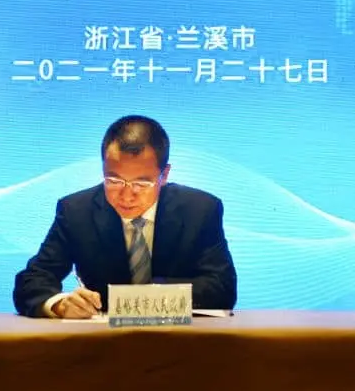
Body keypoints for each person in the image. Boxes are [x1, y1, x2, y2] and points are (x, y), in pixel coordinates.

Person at [13, 115, 237, 318]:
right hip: (101, 342)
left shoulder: (200, 210)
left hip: (181, 340)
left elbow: (222, 288)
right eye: (114, 181)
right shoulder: (76, 211)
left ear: (164, 175)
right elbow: (31, 280)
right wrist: (60, 304)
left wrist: (144, 300)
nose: (126, 196)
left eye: (141, 183)